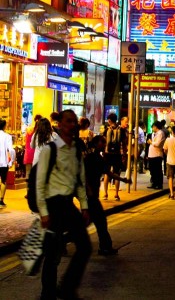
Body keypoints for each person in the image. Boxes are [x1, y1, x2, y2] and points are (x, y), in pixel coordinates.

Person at [35, 109, 91, 300]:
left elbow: (80, 180)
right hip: (53, 204)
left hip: (68, 204)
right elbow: (40, 184)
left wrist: (84, 206)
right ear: (59, 124)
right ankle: (48, 294)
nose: (72, 125)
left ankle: (67, 288)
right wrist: (43, 212)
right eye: (68, 121)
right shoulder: (49, 150)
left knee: (84, 246)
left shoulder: (76, 150)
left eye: (74, 121)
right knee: (52, 254)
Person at [84, 134, 130, 255]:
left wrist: (123, 180)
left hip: (93, 194)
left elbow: (109, 173)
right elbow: (84, 175)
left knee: (89, 222)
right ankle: (105, 247)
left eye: (104, 142)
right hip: (90, 196)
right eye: (102, 142)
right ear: (95, 144)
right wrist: (88, 189)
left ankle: (61, 241)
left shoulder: (99, 158)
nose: (104, 144)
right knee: (100, 222)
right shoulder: (89, 158)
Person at [103, 113, 125, 201]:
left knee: (106, 173)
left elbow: (104, 141)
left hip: (107, 154)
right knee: (116, 174)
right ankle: (116, 194)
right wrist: (124, 154)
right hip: (117, 154)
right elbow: (123, 143)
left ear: (109, 120)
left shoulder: (106, 129)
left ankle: (105, 193)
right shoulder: (121, 130)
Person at [0, 118, 15, 208]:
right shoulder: (7, 136)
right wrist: (12, 161)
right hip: (3, 161)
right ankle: (1, 200)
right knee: (3, 180)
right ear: (4, 126)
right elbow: (11, 150)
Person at [23, 114, 43, 184]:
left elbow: (25, 141)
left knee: (28, 173)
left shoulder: (29, 129)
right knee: (37, 174)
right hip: (37, 154)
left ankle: (28, 192)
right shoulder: (41, 132)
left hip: (28, 153)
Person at [147, 120, 166, 189]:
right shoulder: (155, 133)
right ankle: (154, 183)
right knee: (152, 170)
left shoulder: (160, 133)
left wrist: (151, 142)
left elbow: (157, 144)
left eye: (153, 127)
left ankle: (159, 184)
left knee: (157, 170)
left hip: (157, 154)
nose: (152, 128)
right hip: (152, 154)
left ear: (155, 127)